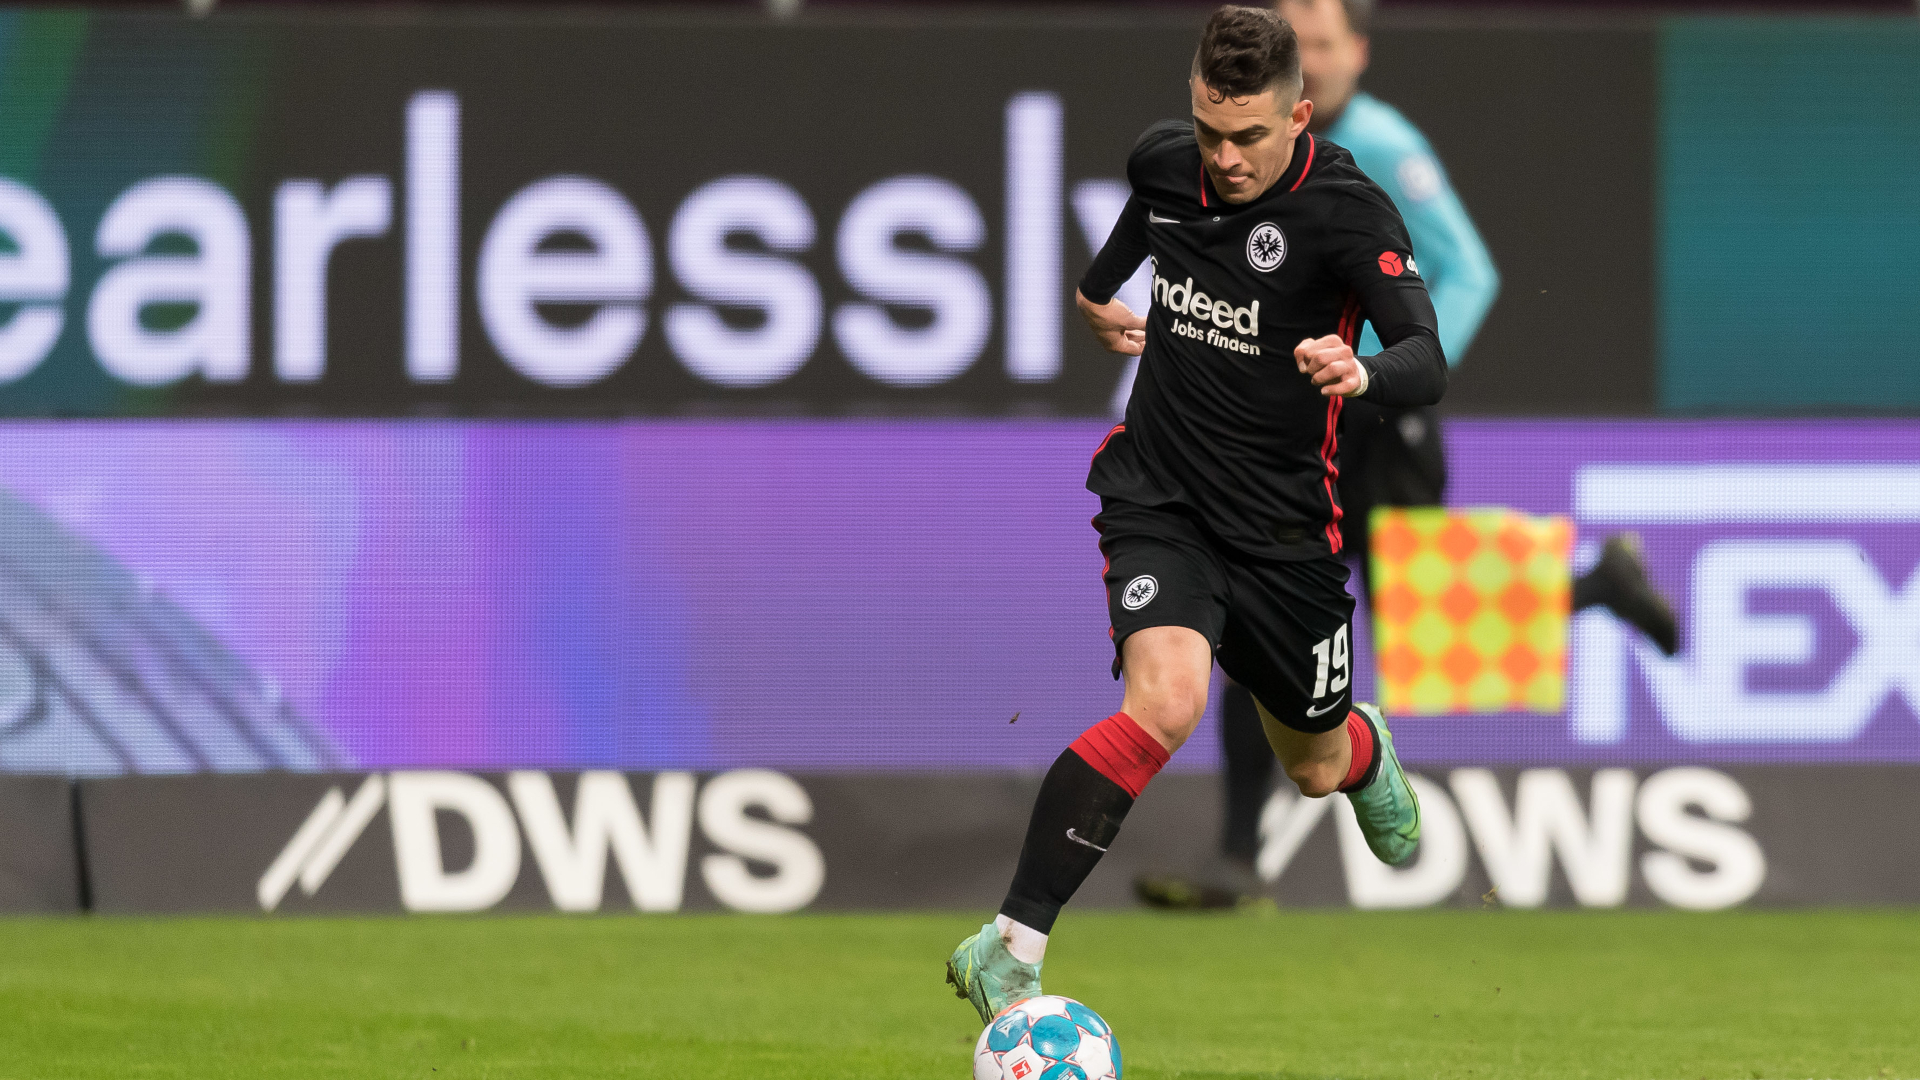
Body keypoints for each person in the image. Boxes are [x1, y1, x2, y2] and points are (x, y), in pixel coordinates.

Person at [945, 5, 1443, 1023]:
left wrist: (1363, 371)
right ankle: (1013, 944)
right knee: (1163, 701)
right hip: (1161, 495)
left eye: (1250, 137)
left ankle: (1362, 751)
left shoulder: (1349, 213)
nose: (1226, 158)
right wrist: (1094, 298)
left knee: (1310, 764)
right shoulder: (1171, 164)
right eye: (1210, 131)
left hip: (1284, 537)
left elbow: (1424, 358)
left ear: (1299, 115)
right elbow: (1142, 231)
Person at [1134, 0, 1679, 911]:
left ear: (1355, 54)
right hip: (1303, 424)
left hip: (1375, 425)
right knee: (1261, 622)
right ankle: (1236, 860)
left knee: (1417, 609)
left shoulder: (1381, 145)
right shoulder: (1258, 161)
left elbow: (1468, 269)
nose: (1307, 57)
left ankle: (1593, 586)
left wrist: (1399, 377)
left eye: (1321, 43)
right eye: (1294, 44)